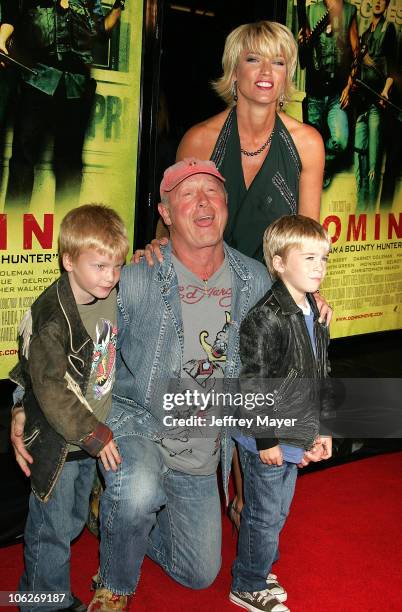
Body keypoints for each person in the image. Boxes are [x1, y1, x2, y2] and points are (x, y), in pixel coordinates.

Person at [135, 21, 331, 531]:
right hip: (209, 281)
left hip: (268, 288)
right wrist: (153, 247)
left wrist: (313, 296)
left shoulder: (307, 144)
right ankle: (171, 482)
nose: (266, 73)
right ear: (234, 70)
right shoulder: (201, 137)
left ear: (288, 76)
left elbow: (304, 236)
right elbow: (175, 217)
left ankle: (247, 503)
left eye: (279, 62)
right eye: (254, 60)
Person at [9, 204, 129, 612]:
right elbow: (45, 381)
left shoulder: (107, 292)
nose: (110, 277)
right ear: (68, 261)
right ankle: (42, 603)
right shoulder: (54, 315)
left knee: (74, 519)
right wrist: (95, 434)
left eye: (116, 266)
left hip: (83, 442)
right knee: (51, 530)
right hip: (59, 442)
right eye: (99, 266)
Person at [230, 215, 333, 612]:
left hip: (295, 430)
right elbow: (253, 382)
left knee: (278, 510)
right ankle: (248, 583)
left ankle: (258, 566)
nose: (318, 267)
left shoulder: (316, 313)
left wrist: (322, 429)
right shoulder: (266, 317)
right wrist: (267, 438)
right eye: (308, 258)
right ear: (277, 262)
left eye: (323, 259)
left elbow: (321, 374)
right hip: (266, 435)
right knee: (263, 512)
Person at [0, 0, 124, 209]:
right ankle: (13, 225)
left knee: (70, 165)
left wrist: (119, 6)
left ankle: (68, 231)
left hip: (76, 88)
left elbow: (101, 31)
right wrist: (2, 40)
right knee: (23, 159)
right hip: (37, 81)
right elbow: (12, 15)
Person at [298, 0, 359, 187]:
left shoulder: (349, 11)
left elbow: (356, 52)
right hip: (315, 93)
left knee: (340, 142)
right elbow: (302, 60)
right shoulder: (310, 11)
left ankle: (323, 165)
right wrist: (302, 44)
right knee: (308, 146)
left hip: (336, 95)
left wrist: (349, 86)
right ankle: (315, 172)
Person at [352, 0, 397, 211]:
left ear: (386, 5)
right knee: (359, 159)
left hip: (376, 105)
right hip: (361, 103)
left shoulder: (388, 29)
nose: (379, 2)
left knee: (372, 163)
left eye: (383, 0)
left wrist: (386, 91)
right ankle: (360, 213)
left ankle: (369, 216)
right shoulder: (365, 34)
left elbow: (393, 67)